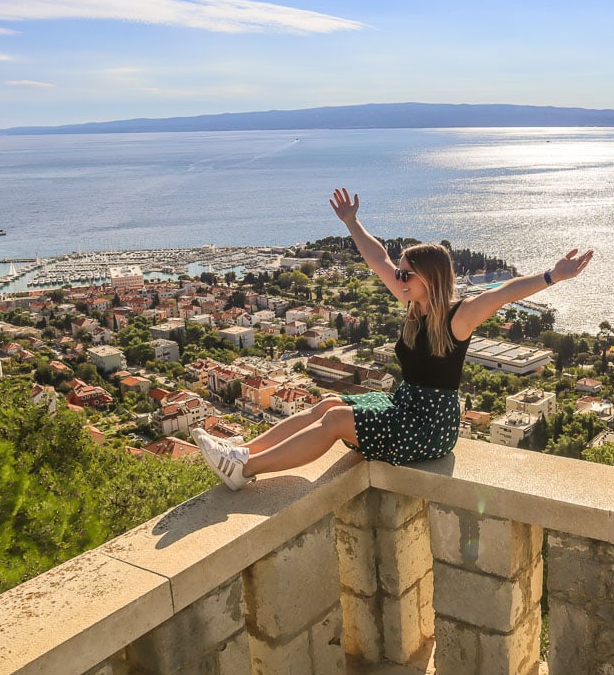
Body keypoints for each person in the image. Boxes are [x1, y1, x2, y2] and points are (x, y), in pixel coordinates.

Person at [192, 187, 593, 490]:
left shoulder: (458, 317)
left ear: (429, 278)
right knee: (328, 402)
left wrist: (553, 276)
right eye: (400, 273)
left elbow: (503, 292)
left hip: (430, 425)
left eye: (406, 274)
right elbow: (377, 257)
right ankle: (243, 452)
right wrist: (351, 223)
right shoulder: (412, 304)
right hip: (405, 406)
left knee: (334, 420)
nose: (398, 279)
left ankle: (244, 471)